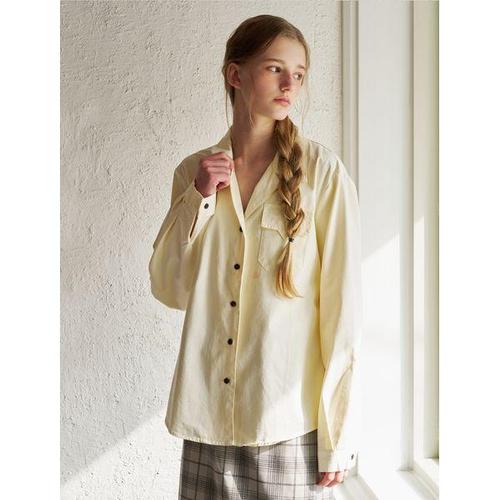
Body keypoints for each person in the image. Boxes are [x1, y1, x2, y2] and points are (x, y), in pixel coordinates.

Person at [149, 14, 363, 499]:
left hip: (284, 425)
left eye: (299, 74)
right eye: (274, 69)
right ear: (235, 74)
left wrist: (339, 436)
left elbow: (343, 312)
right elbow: (170, 288)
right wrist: (199, 198)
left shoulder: (323, 174)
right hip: (207, 423)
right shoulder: (193, 173)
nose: (290, 85)